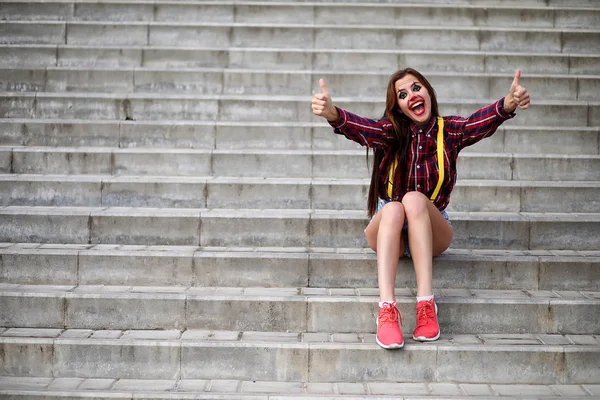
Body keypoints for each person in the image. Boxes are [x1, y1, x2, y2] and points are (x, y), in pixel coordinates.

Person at [311, 68, 530, 349]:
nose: (411, 95)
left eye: (416, 88)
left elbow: (478, 123)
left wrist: (508, 104)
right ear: (398, 107)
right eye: (402, 95)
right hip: (388, 229)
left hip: (432, 228)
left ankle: (426, 305)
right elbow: (363, 128)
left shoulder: (448, 131)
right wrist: (333, 114)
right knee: (392, 208)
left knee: (414, 199)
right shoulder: (390, 132)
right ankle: (387, 311)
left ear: (428, 91)